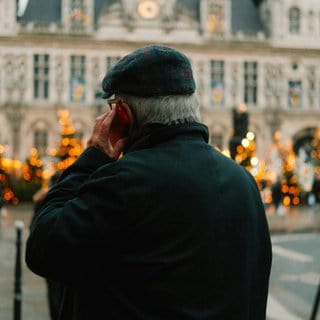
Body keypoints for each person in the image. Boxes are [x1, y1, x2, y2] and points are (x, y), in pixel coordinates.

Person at [26, 45, 272, 320]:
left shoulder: (126, 182)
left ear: (123, 116)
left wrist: (92, 157)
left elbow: (43, 247)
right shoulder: (245, 183)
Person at [32, 171, 64, 320]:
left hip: (50, 257)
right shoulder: (48, 201)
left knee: (54, 296)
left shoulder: (45, 200)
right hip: (59, 257)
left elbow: (35, 227)